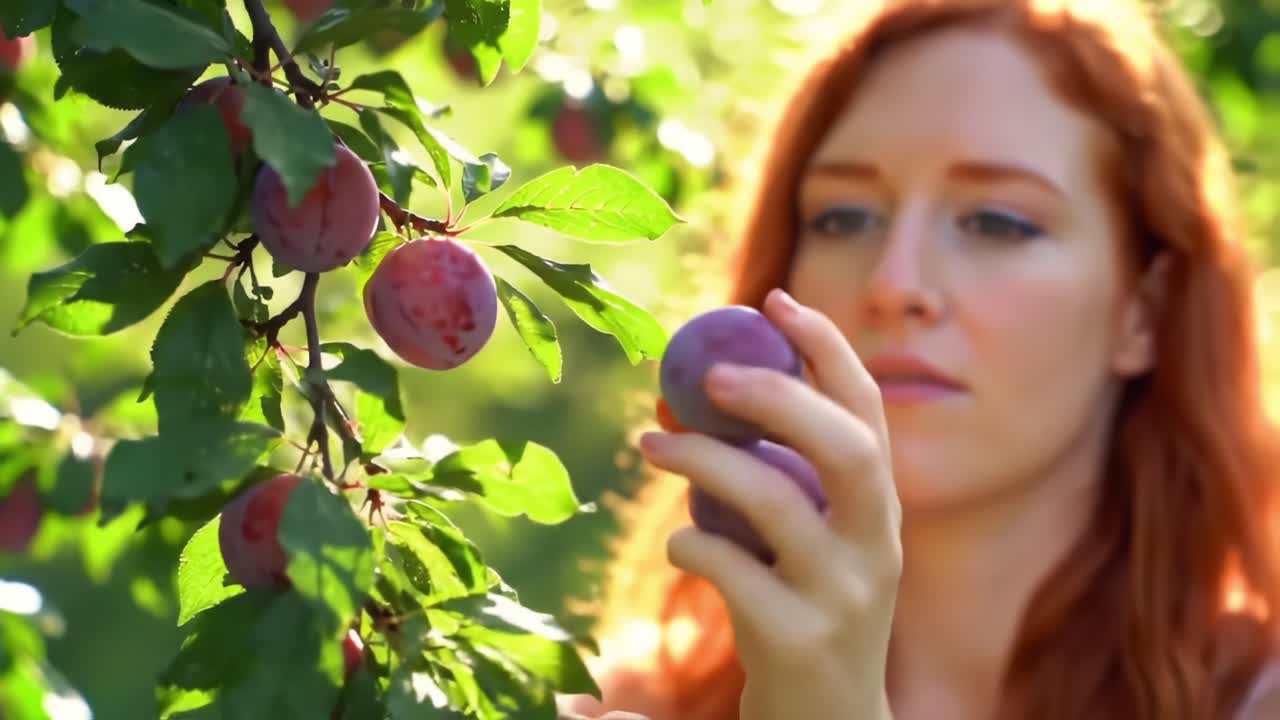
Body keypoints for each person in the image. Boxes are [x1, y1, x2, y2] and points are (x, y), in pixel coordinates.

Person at [558, 0, 1280, 718]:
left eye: (998, 221)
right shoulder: (621, 703)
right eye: (845, 217)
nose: (894, 285)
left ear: (1143, 312)